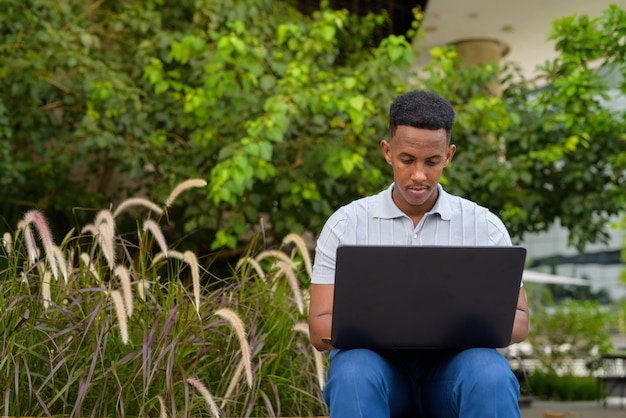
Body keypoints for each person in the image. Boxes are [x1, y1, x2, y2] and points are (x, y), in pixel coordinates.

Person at [308, 90, 530, 417]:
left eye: (432, 161)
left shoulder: (484, 225)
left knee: (490, 374)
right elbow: (319, 327)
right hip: (377, 368)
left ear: (449, 155)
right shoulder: (346, 224)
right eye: (407, 160)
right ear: (387, 152)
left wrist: (458, 326)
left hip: (455, 368)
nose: (419, 176)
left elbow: (520, 320)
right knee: (352, 372)